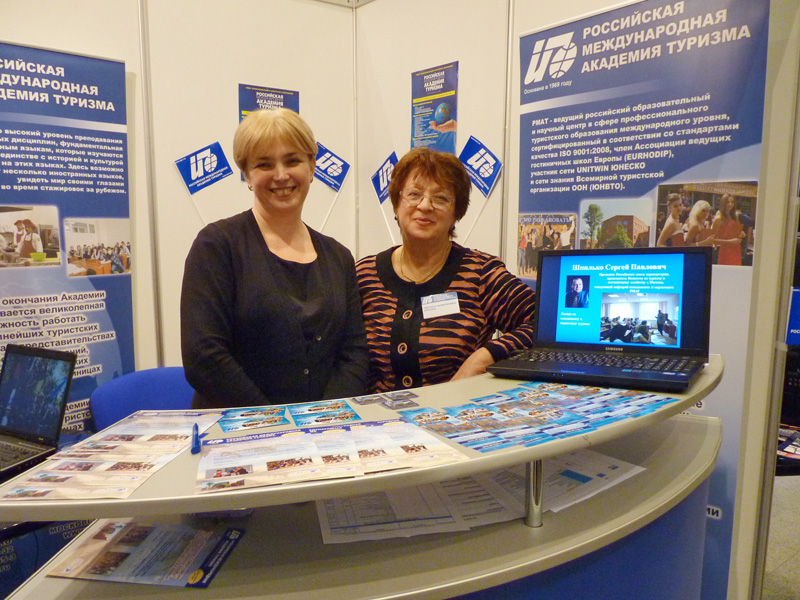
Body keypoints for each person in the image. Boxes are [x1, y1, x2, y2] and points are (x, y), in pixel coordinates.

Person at [181, 108, 368, 409]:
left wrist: (326, 418)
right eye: (264, 164)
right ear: (247, 174)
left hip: (326, 428)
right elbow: (204, 357)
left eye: (292, 160)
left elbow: (354, 354)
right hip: (238, 428)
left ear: (312, 166)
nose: (281, 175)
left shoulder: (339, 257)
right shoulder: (216, 246)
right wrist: (276, 422)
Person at [356, 147, 537, 393]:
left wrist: (485, 357)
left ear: (455, 214)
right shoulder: (364, 275)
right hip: (377, 415)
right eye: (414, 194)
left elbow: (544, 323)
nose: (425, 205)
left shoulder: (480, 273)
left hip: (455, 412)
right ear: (397, 205)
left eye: (440, 198)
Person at [712, 194, 745, 266]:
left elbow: (736, 232)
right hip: (725, 251)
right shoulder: (718, 218)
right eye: (727, 202)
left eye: (732, 202)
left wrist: (741, 233)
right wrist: (729, 242)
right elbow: (712, 239)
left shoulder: (735, 217)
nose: (730, 204)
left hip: (736, 250)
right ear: (723, 203)